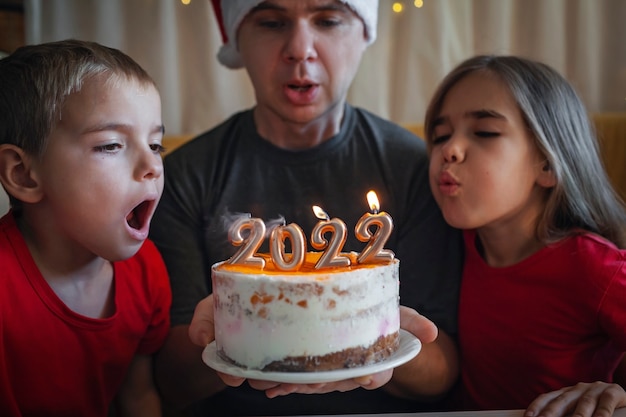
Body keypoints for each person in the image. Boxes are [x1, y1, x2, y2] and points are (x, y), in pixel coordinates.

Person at [150, 0, 463, 415]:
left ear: (364, 33)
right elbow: (173, 384)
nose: (300, 48)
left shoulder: (417, 169)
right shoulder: (183, 176)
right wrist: (233, 332)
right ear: (236, 38)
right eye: (272, 22)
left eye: (329, 20)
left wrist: (368, 334)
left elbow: (440, 376)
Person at [425, 54, 626, 417]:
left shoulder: (595, 267)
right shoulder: (453, 244)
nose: (448, 150)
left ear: (547, 164)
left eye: (484, 132)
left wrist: (618, 392)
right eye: (440, 136)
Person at [0, 39, 172, 416]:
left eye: (155, 145)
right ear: (23, 174)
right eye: (111, 145)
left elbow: (138, 396)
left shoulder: (147, 272)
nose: (153, 166)